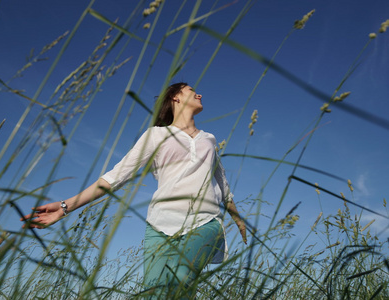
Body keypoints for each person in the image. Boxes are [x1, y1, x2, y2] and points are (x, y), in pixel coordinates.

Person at [22, 82, 247, 298]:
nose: (199, 94)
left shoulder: (209, 139)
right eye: (192, 90)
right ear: (175, 97)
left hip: (204, 222)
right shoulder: (155, 135)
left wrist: (237, 219)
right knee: (153, 293)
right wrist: (64, 207)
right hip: (160, 227)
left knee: (179, 283)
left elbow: (223, 184)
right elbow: (116, 176)